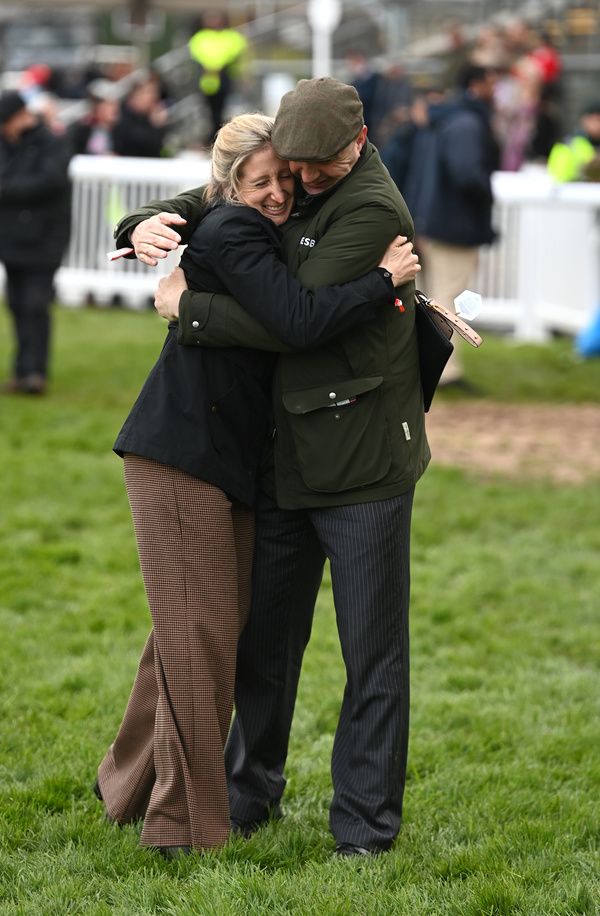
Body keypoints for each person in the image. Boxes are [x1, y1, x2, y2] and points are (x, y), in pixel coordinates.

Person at [113, 78, 430, 858]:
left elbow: (293, 321)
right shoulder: (286, 170)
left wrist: (185, 306)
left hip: (362, 466)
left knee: (372, 657)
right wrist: (150, 220)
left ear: (357, 146)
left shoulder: (372, 213)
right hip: (281, 459)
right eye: (289, 168)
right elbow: (221, 195)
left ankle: (363, 830)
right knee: (262, 644)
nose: (297, 183)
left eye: (313, 169)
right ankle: (250, 794)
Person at [406, 64, 499, 389]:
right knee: (449, 298)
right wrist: (488, 195)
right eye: (491, 81)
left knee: (434, 297)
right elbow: (466, 174)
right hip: (453, 224)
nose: (495, 88)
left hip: (432, 220)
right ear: (476, 84)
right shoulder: (465, 123)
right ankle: (446, 373)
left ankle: (427, 369)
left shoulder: (443, 120)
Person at [0, 91, 72, 395]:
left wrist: (6, 188)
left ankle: (35, 372)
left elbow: (48, 183)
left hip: (44, 240)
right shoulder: (9, 145)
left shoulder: (51, 143)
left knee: (35, 304)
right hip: (11, 239)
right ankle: (22, 370)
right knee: (16, 304)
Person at [188, 11, 248, 144]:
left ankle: (218, 137)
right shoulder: (200, 37)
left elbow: (234, 52)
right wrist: (210, 66)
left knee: (222, 110)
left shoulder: (231, 36)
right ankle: (213, 136)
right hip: (207, 80)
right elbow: (197, 53)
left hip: (223, 78)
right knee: (210, 111)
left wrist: (216, 66)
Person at [112, 74, 169, 158]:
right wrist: (156, 126)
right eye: (148, 92)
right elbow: (141, 144)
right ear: (134, 94)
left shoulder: (149, 117)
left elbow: (159, 151)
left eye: (155, 93)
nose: (153, 97)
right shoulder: (120, 115)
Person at [547, 101, 600, 183]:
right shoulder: (567, 145)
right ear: (584, 120)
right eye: (594, 119)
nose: (597, 124)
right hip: (576, 191)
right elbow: (558, 174)